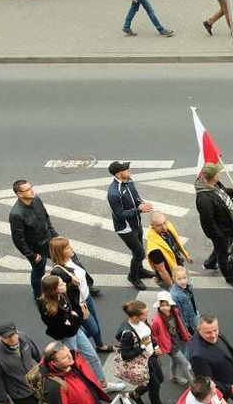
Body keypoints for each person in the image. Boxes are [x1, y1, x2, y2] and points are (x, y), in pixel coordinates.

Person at [36, 275, 108, 392]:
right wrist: (73, 318)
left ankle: (104, 384)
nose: (64, 283)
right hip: (66, 337)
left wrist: (72, 319)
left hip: (75, 330)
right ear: (54, 290)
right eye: (61, 283)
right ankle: (84, 389)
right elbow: (63, 325)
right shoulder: (47, 307)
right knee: (74, 364)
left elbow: (73, 316)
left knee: (93, 357)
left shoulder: (63, 295)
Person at [39, 342, 110, 404]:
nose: (69, 357)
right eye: (64, 358)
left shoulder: (73, 360)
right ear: (53, 363)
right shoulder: (53, 386)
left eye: (68, 353)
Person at [49, 237, 110, 354]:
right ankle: (73, 343)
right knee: (93, 328)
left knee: (96, 322)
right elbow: (63, 291)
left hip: (87, 297)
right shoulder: (58, 271)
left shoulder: (72, 258)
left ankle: (100, 345)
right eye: (67, 248)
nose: (72, 248)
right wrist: (72, 284)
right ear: (60, 252)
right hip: (78, 303)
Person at [113, 300, 170, 404]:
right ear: (135, 317)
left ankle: (135, 394)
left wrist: (156, 346)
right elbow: (125, 355)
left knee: (160, 379)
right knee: (154, 385)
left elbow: (148, 336)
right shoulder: (128, 333)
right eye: (144, 314)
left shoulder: (141, 322)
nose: (147, 316)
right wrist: (143, 346)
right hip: (143, 362)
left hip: (151, 357)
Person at [106, 161, 156, 290]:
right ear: (118, 174)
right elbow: (120, 214)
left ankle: (140, 270)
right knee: (139, 254)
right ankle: (133, 276)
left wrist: (142, 204)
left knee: (138, 250)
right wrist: (139, 210)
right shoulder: (113, 193)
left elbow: (136, 196)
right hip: (126, 229)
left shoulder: (129, 181)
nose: (130, 171)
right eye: (126, 170)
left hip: (136, 223)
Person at [194, 162, 233, 289]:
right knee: (223, 253)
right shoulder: (204, 199)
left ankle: (210, 263)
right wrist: (220, 236)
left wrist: (232, 192)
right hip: (221, 231)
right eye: (218, 173)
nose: (219, 174)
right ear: (214, 176)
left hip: (227, 227)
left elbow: (222, 193)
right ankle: (229, 277)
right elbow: (208, 222)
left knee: (225, 244)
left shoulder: (213, 184)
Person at [7, 180, 59, 298]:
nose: (32, 190)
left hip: (50, 240)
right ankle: (38, 294)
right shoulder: (16, 214)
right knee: (38, 272)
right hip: (37, 250)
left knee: (67, 259)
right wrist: (32, 255)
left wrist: (55, 235)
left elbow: (46, 218)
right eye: (28, 189)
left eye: (31, 187)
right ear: (19, 194)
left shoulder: (36, 199)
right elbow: (18, 240)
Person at [150, 292, 193, 386]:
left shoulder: (174, 311)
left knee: (174, 360)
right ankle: (193, 385)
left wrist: (186, 333)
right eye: (162, 305)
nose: (165, 308)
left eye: (167, 305)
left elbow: (180, 323)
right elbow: (152, 334)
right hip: (169, 344)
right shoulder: (156, 320)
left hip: (176, 339)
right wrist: (157, 347)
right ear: (159, 306)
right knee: (184, 363)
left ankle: (173, 376)